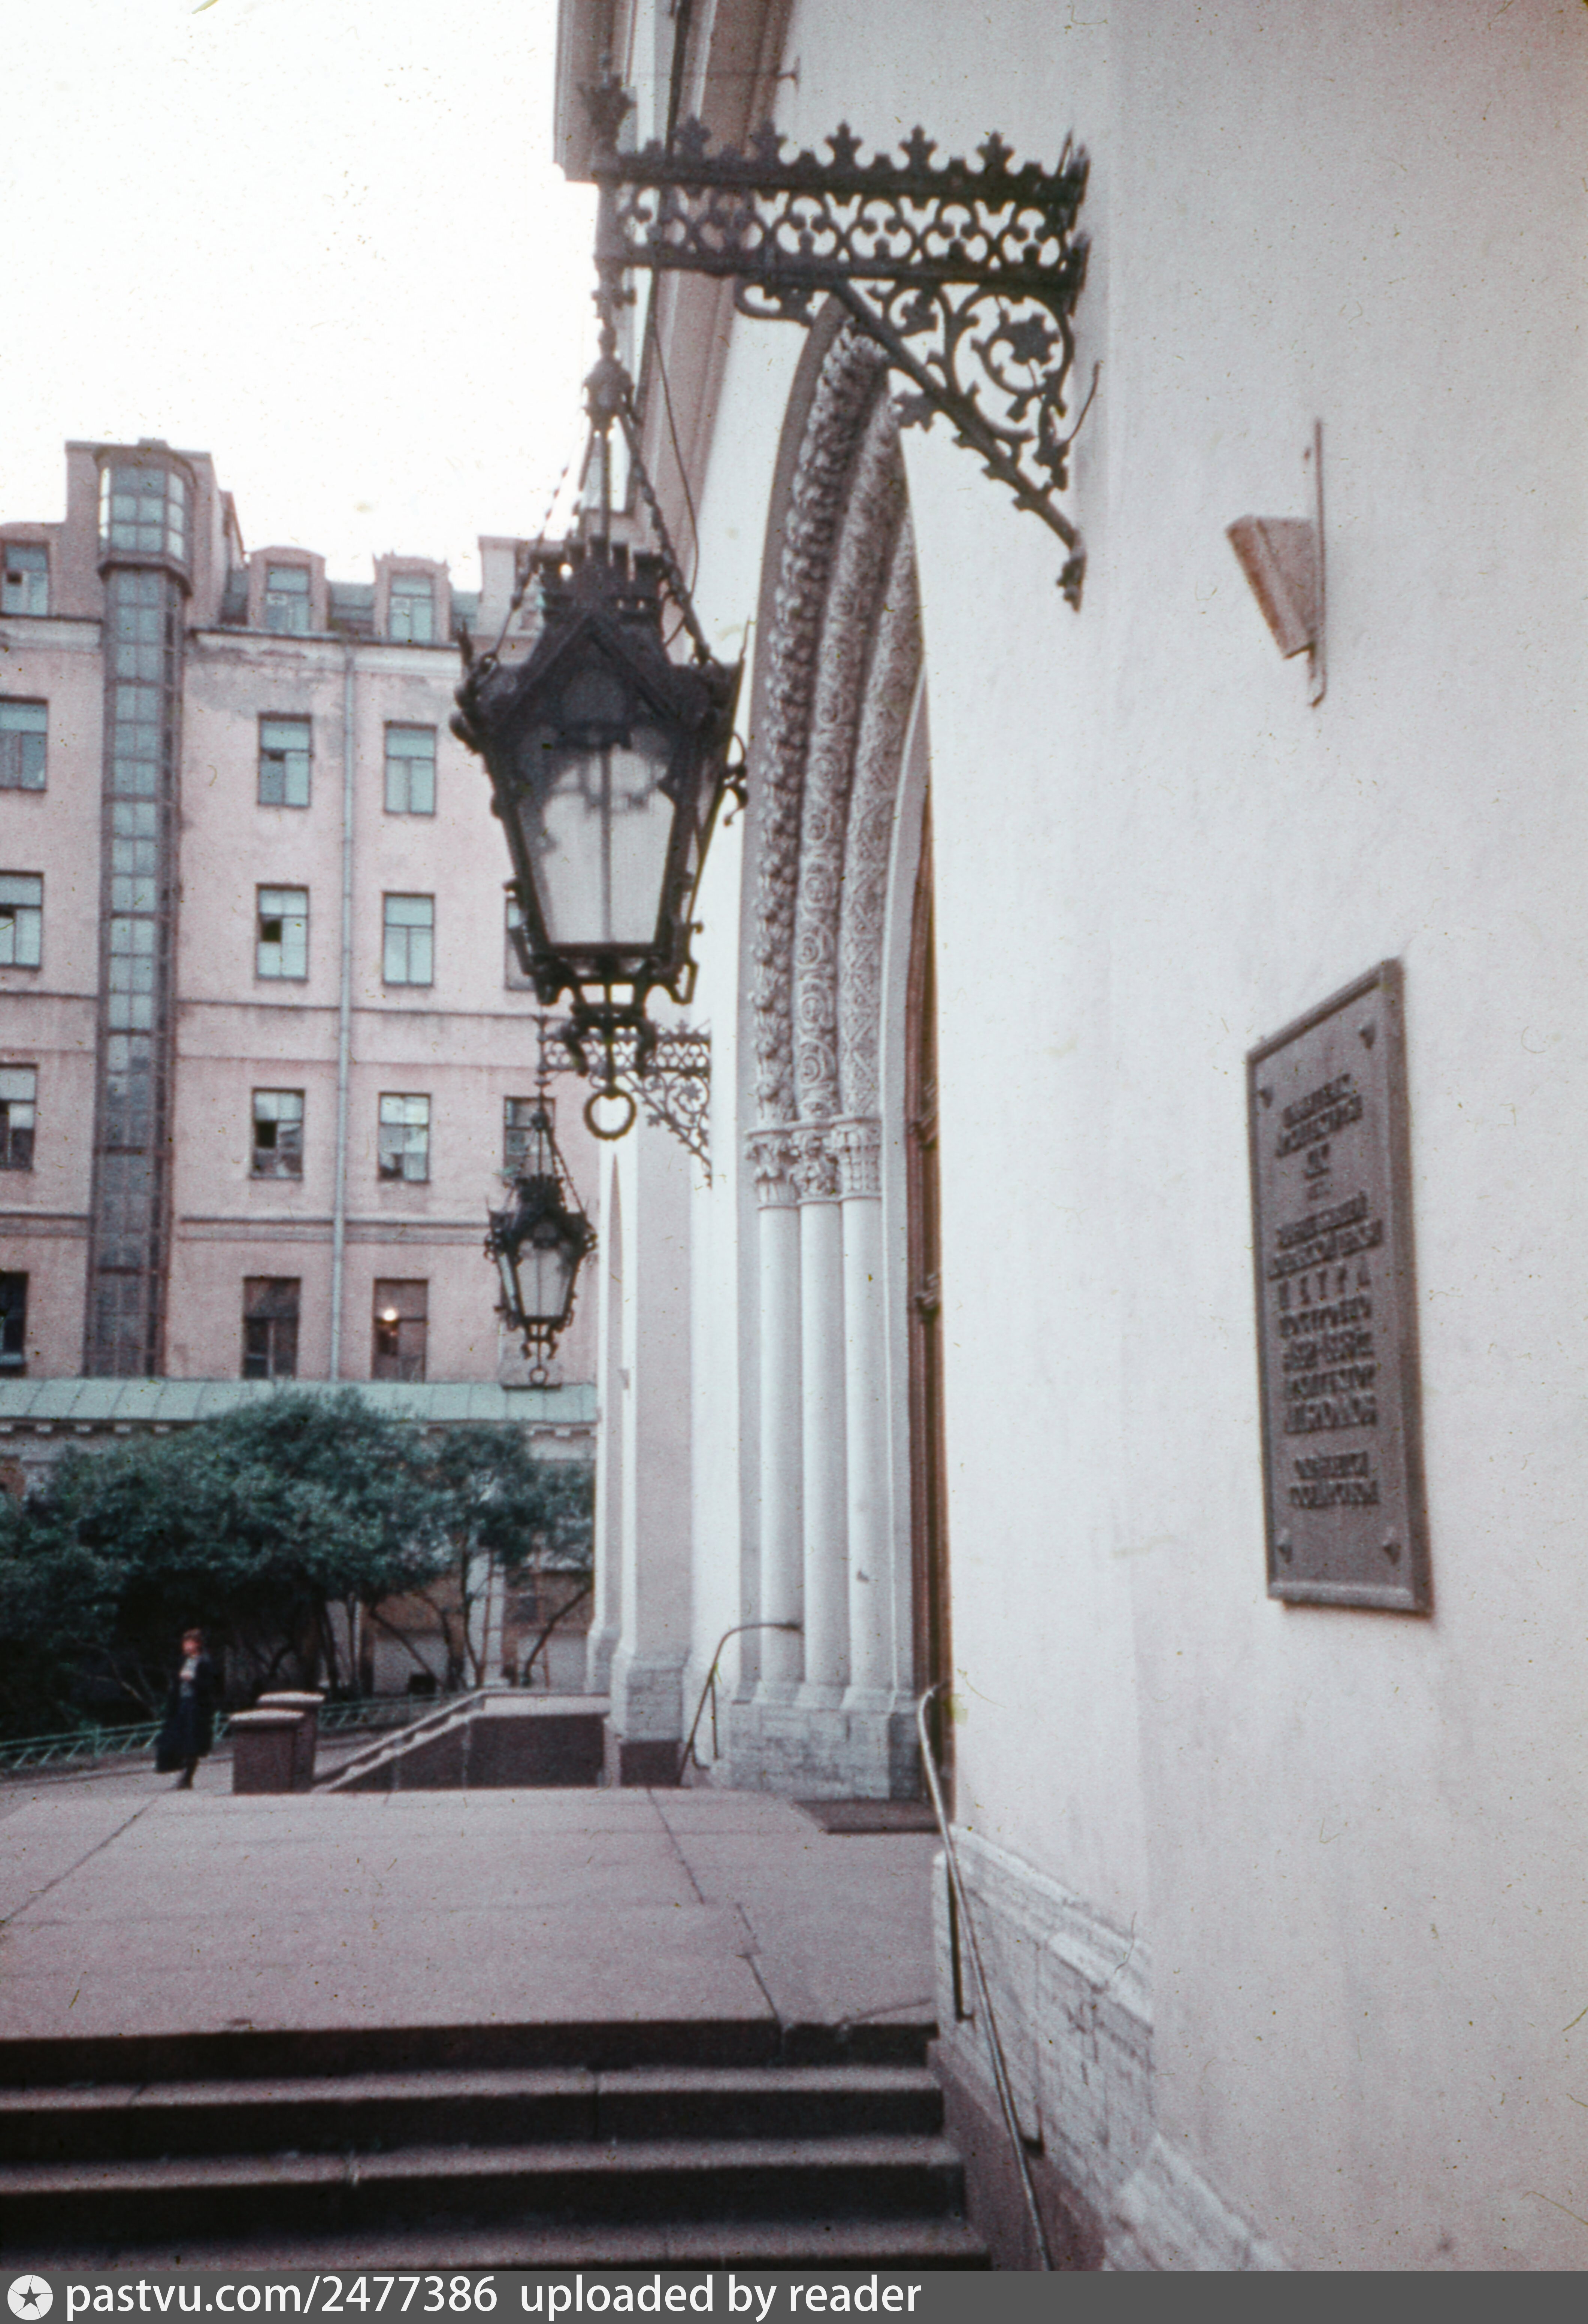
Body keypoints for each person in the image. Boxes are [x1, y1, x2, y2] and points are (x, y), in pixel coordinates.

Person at [155, 1628, 217, 1790]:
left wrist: (193, 1679)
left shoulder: (204, 1661)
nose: (185, 1646)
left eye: (188, 1643)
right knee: (176, 1739)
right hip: (182, 1704)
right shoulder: (184, 1661)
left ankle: (187, 1777)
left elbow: (210, 1686)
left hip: (196, 1706)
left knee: (192, 1742)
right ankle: (180, 1771)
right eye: (184, 1643)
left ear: (197, 1644)